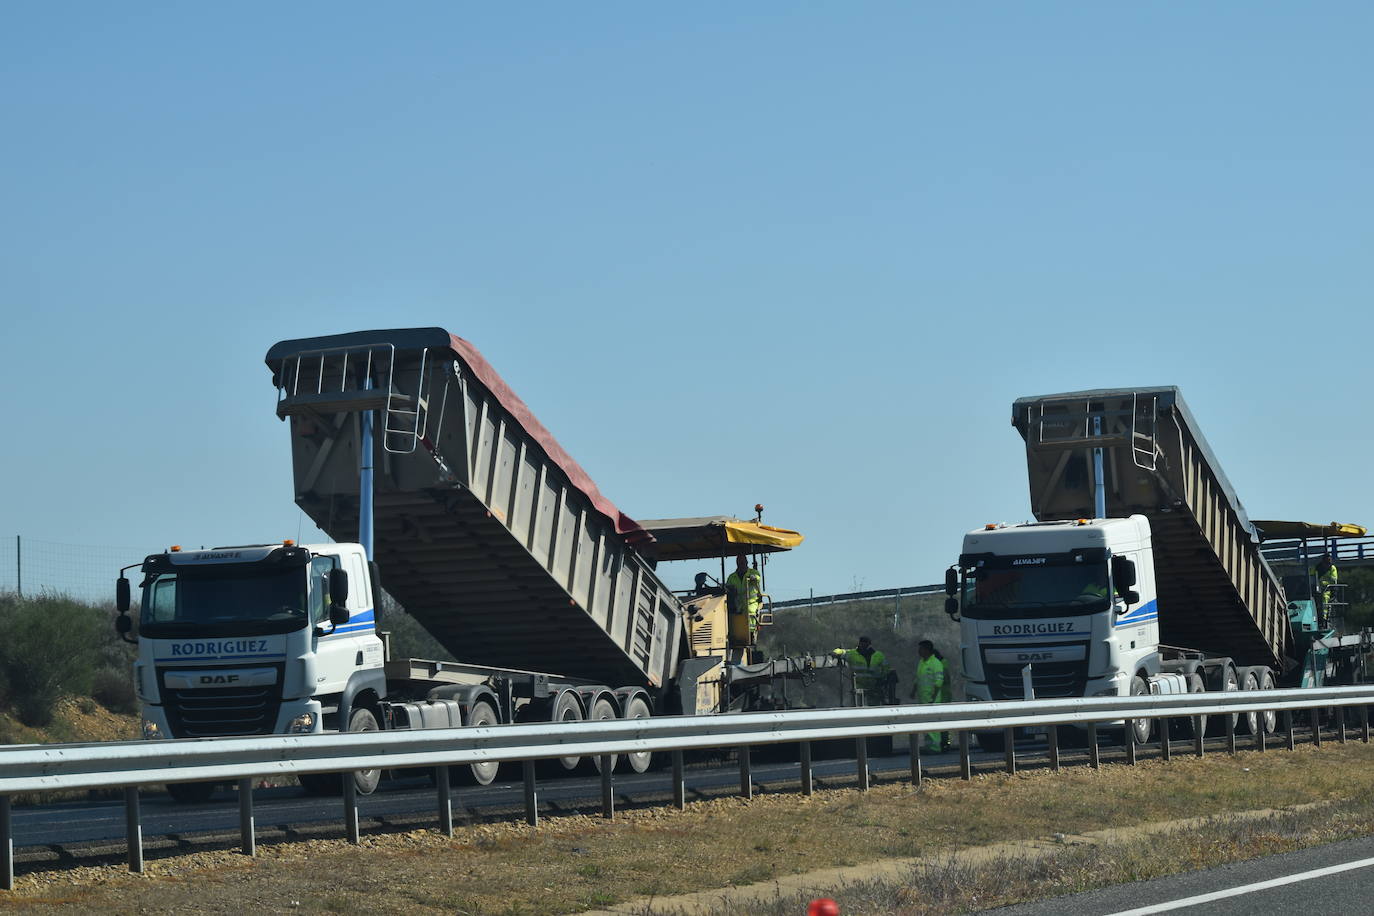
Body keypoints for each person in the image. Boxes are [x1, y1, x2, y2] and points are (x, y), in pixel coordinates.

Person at [911, 639, 950, 753]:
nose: (919, 651)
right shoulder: (922, 662)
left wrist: (933, 697)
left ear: (927, 650)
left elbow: (939, 682)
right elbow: (918, 679)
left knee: (933, 725)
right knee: (927, 725)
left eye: (921, 649)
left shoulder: (936, 663)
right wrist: (913, 691)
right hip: (923, 699)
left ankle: (935, 747)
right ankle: (929, 746)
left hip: (932, 700)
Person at [833, 636, 893, 703]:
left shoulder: (879, 655)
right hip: (858, 688)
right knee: (857, 708)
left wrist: (882, 682)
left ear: (869, 644)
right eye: (863, 644)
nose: (864, 646)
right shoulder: (853, 654)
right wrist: (835, 652)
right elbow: (841, 651)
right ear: (860, 644)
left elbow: (887, 670)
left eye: (866, 644)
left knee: (874, 707)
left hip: (874, 687)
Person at [725, 554, 763, 640]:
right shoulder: (732, 577)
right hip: (738, 604)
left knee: (750, 613)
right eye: (739, 561)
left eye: (743, 561)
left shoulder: (753, 573)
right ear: (737, 563)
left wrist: (753, 578)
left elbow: (757, 578)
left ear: (747, 562)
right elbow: (728, 589)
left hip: (751, 603)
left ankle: (751, 634)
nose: (741, 563)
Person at [1315, 553, 1339, 626]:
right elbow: (1313, 576)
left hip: (1329, 589)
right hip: (1317, 588)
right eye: (1326, 562)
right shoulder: (1317, 568)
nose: (1327, 564)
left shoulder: (1332, 568)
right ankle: (1316, 616)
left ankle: (1324, 618)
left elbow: (1334, 580)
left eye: (1329, 561)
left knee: (1324, 598)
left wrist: (1324, 581)